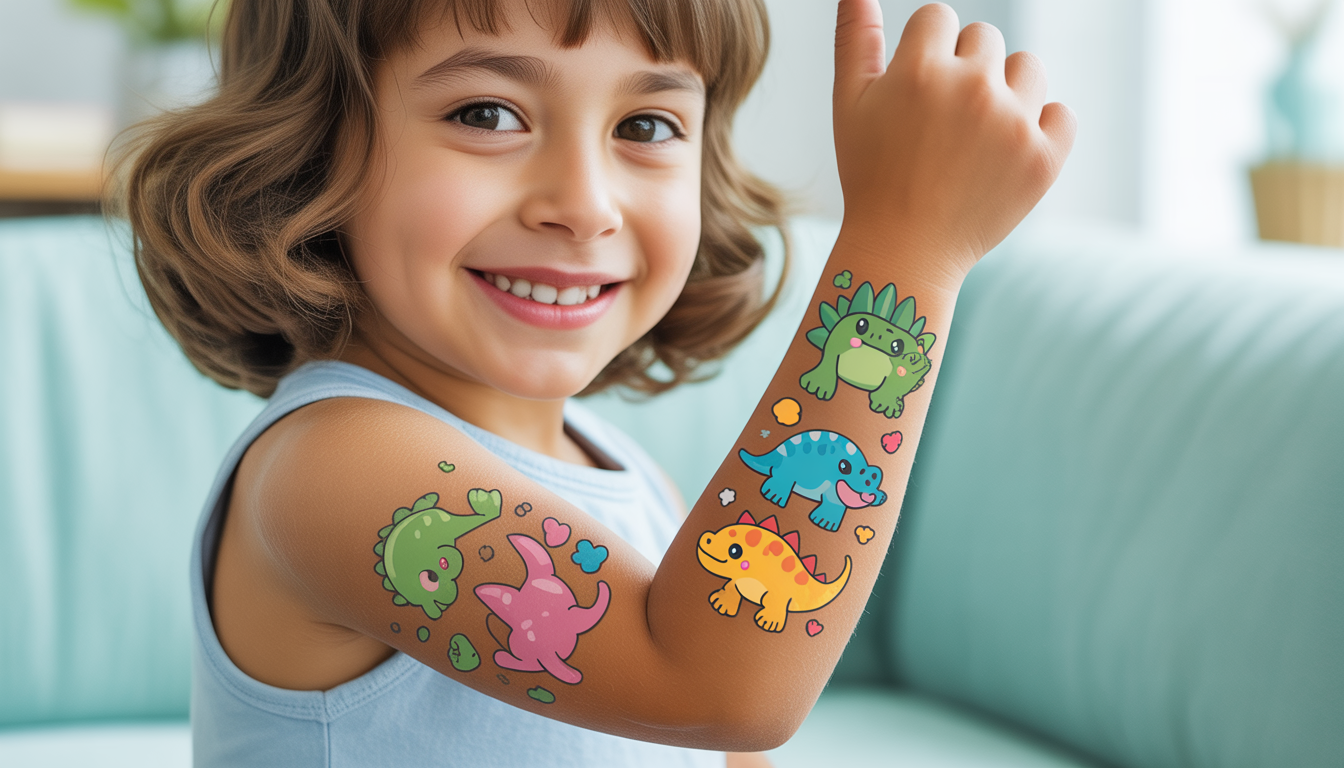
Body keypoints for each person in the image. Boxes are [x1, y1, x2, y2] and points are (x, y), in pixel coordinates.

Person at [119, 0, 1074, 765]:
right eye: (486, 114)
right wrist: (908, 243)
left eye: (646, 124)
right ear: (308, 148)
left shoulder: (630, 484)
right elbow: (720, 691)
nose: (583, 204)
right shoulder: (327, 468)